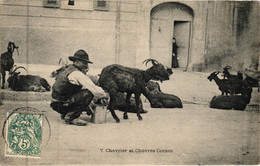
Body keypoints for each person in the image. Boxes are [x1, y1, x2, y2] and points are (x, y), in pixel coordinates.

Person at [50, 49, 108, 126]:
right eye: (84, 63)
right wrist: (105, 95)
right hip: (61, 104)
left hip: (56, 102)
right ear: (76, 62)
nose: (86, 65)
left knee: (81, 90)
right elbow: (94, 89)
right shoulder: (76, 74)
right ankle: (72, 117)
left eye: (86, 63)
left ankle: (65, 113)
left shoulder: (68, 69)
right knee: (88, 93)